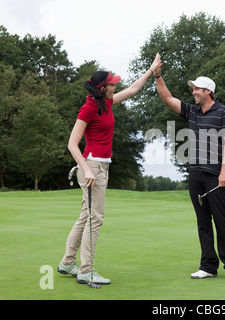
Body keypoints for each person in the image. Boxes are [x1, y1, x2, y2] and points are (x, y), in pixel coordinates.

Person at [58, 54, 162, 285]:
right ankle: (86, 270)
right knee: (96, 218)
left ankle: (67, 262)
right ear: (103, 87)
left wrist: (151, 70)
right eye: (112, 83)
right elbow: (72, 144)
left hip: (101, 164)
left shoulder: (105, 103)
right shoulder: (88, 109)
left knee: (86, 216)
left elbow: (134, 89)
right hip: (92, 166)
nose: (116, 85)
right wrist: (86, 170)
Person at [153, 60, 225, 281]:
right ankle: (208, 266)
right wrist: (158, 76)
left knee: (221, 219)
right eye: (192, 89)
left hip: (216, 175)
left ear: (207, 91)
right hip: (196, 174)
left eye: (196, 89)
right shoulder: (193, 112)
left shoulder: (224, 112)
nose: (193, 92)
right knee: (203, 221)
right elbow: (167, 98)